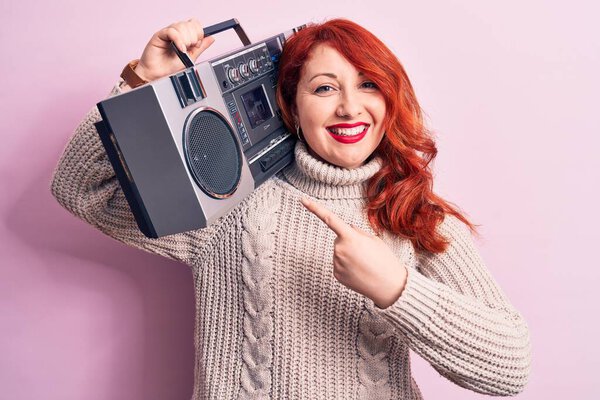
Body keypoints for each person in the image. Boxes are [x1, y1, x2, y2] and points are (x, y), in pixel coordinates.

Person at [50, 17, 531, 399]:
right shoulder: (229, 201)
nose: (348, 107)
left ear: (391, 99)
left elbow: (509, 368)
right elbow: (83, 187)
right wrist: (143, 80)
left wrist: (397, 288)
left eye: (368, 85)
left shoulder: (416, 215)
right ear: (291, 106)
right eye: (324, 88)